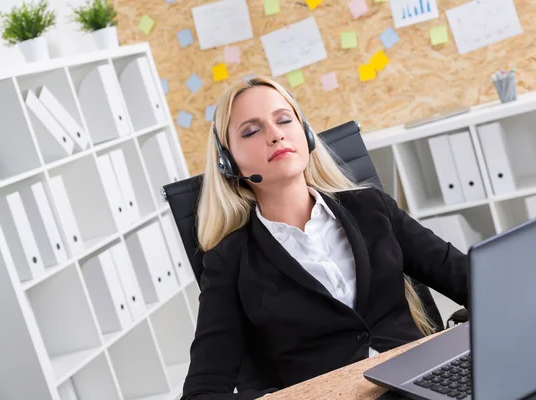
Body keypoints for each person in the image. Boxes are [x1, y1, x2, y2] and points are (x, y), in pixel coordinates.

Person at [181, 76, 468, 400]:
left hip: (426, 389)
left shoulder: (372, 210)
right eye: (251, 131)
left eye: (284, 120)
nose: (275, 134)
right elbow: (200, 394)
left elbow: (473, 280)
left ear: (305, 134)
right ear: (229, 161)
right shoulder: (229, 261)